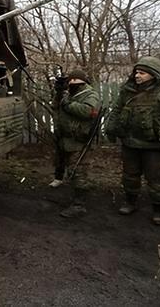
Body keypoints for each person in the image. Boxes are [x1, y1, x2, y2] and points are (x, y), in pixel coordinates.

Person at [106, 56, 160, 225]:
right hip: (130, 143)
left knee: (157, 178)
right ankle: (130, 202)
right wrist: (111, 128)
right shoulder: (128, 91)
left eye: (142, 73)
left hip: (155, 147)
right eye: (136, 72)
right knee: (130, 175)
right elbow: (116, 110)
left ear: (154, 74)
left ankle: (159, 210)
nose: (137, 75)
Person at [51, 69, 101, 218]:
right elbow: (56, 106)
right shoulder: (68, 95)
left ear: (83, 81)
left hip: (80, 139)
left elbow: (89, 111)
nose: (72, 83)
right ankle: (73, 193)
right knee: (69, 168)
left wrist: (67, 104)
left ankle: (79, 205)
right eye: (69, 80)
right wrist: (59, 92)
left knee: (79, 171)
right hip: (65, 138)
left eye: (75, 80)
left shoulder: (90, 94)